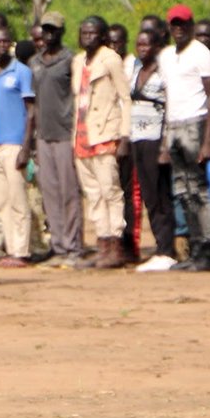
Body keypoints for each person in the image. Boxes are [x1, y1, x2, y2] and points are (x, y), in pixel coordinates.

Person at [158, 4, 210, 271]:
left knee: (199, 190)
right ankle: (194, 249)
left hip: (195, 124)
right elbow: (166, 98)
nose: (179, 29)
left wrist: (208, 141)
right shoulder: (166, 56)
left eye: (183, 24)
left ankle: (206, 250)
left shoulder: (201, 53)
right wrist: (164, 140)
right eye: (174, 24)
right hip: (174, 125)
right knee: (182, 190)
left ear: (192, 25)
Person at [71, 16, 130, 269]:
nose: (87, 37)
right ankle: (102, 244)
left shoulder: (111, 60)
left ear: (103, 36)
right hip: (82, 136)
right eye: (84, 32)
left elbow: (125, 99)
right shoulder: (77, 61)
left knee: (110, 191)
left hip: (105, 133)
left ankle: (116, 244)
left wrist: (124, 135)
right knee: (93, 194)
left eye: (93, 33)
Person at [0, 24, 36, 267]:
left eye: (5, 41)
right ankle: (11, 249)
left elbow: (32, 111)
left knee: (18, 199)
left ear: (10, 43)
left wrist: (26, 147)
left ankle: (21, 250)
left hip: (14, 144)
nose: (1, 45)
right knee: (1, 200)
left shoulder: (22, 72)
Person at [30, 13, 83, 266]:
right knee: (49, 192)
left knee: (69, 192)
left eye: (53, 30)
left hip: (65, 134)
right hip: (43, 135)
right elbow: (33, 103)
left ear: (62, 32)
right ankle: (59, 246)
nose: (49, 35)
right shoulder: (35, 62)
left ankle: (73, 245)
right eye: (46, 30)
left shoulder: (70, 60)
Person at [129, 24, 180, 271]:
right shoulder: (136, 70)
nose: (142, 49)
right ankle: (160, 247)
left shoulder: (163, 73)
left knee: (160, 194)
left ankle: (166, 249)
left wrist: (165, 145)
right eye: (139, 44)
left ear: (157, 47)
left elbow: (170, 108)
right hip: (137, 138)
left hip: (155, 138)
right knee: (148, 195)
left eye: (146, 44)